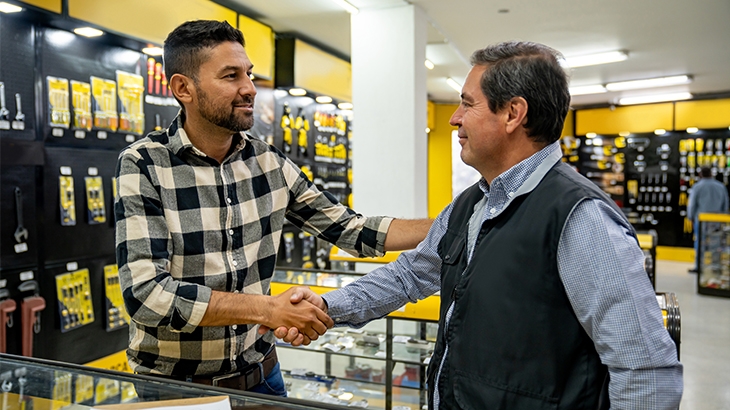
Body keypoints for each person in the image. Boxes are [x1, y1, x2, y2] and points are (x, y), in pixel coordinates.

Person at [276, 41, 683, 409]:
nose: (454, 119)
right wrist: (328, 306)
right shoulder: (472, 203)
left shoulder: (580, 216)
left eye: (467, 104)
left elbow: (644, 369)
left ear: (512, 113)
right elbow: (409, 276)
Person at [114, 20, 431, 396]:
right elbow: (148, 296)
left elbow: (351, 230)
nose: (249, 88)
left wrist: (454, 221)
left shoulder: (268, 162)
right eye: (230, 76)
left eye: (247, 73)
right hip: (177, 390)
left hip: (261, 377)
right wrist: (267, 309)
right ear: (183, 88)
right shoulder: (144, 164)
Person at [687, 166, 729, 273]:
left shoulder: (697, 187)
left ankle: (699, 266)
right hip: (717, 220)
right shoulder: (720, 186)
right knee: (716, 243)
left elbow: (692, 205)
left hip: (701, 221)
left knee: (700, 243)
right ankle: (716, 267)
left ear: (700, 174)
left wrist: (691, 217)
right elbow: (726, 204)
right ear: (711, 173)